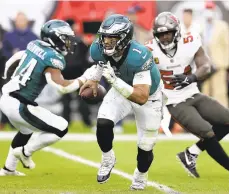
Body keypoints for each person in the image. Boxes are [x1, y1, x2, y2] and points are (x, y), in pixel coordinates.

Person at [80, 14, 163, 190]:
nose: (107, 42)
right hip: (122, 89)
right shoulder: (98, 48)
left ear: (125, 38)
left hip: (149, 97)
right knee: (103, 121)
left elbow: (141, 97)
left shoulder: (139, 55)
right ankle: (108, 157)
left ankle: (141, 176)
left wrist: (113, 80)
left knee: (145, 146)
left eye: (113, 37)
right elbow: (102, 63)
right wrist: (94, 79)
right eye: (105, 37)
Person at [0, 19, 90, 176]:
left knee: (25, 130)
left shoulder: (34, 44)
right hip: (19, 104)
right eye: (65, 38)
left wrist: (7, 72)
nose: (69, 42)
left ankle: (8, 169)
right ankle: (25, 152)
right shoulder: (52, 57)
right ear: (55, 38)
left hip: (6, 96)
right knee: (61, 126)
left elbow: (19, 56)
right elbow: (62, 87)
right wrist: (84, 78)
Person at [145, 12, 229, 178]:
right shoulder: (149, 50)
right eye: (160, 34)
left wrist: (192, 77)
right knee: (207, 133)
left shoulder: (190, 41)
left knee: (226, 121)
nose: (164, 38)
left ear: (176, 31)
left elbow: (206, 65)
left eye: (167, 33)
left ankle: (191, 153)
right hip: (174, 100)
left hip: (193, 94)